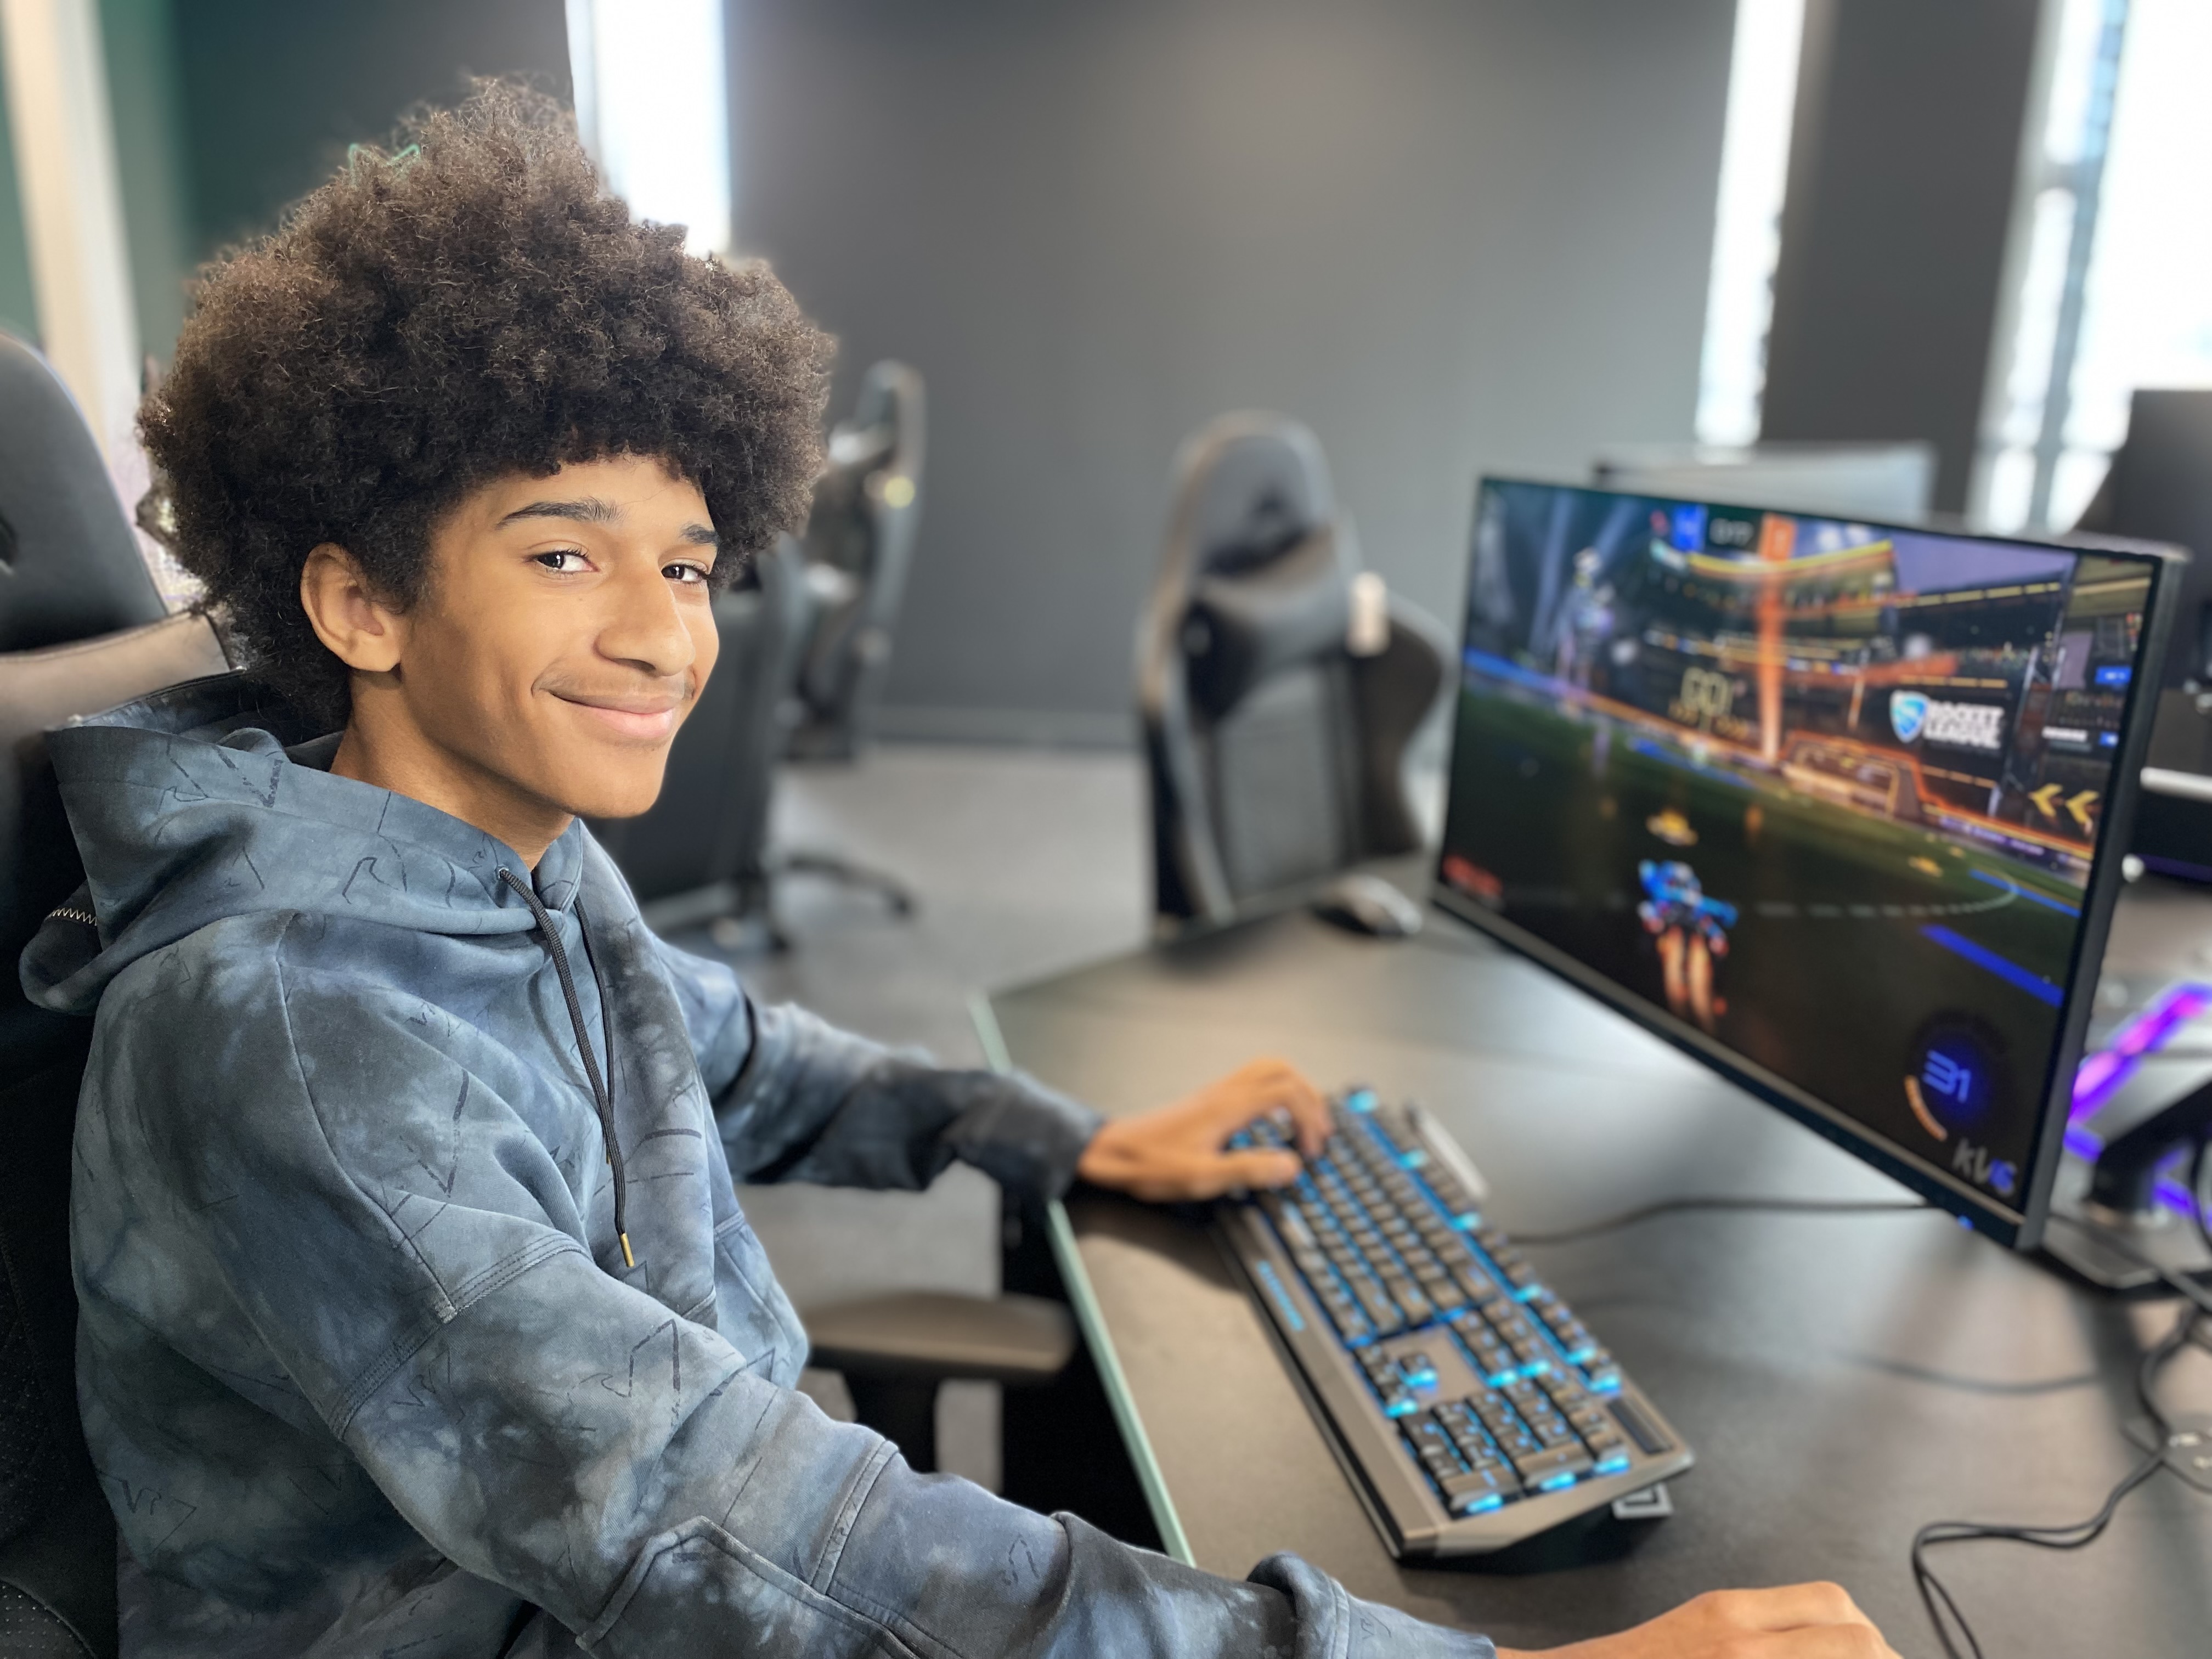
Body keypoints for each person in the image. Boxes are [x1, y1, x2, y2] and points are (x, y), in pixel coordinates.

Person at [21, 83, 1896, 1659]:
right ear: (356, 597)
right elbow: (702, 1527)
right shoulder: (291, 1036)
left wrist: (1052, 1136)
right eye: (564, 554)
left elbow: (724, 1054)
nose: (662, 635)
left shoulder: (481, 853)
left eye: (686, 566)